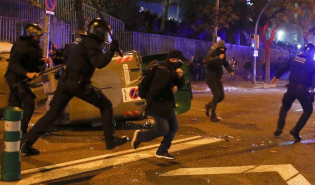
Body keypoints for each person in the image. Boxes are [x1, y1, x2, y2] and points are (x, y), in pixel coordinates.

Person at [21, 18, 129, 155]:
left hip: (65, 81)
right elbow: (99, 62)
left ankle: (27, 143)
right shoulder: (92, 43)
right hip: (78, 84)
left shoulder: (80, 40)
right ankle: (110, 140)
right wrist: (111, 51)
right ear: (100, 33)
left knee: (51, 115)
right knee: (106, 105)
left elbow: (66, 55)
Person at [272, 43, 315, 141]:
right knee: (308, 110)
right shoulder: (312, 62)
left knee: (285, 107)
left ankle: (279, 129)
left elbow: (283, 68)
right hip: (302, 90)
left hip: (290, 88)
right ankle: (295, 130)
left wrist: (277, 76)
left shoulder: (294, 59)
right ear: (312, 53)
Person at [131, 50, 186, 160]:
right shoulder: (163, 71)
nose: (180, 63)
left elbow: (179, 85)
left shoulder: (171, 70)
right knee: (163, 129)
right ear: (173, 59)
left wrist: (179, 77)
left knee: (174, 127)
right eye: (179, 60)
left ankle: (162, 151)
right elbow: (155, 90)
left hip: (167, 104)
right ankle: (140, 136)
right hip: (158, 104)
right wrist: (170, 89)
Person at [5, 24, 48, 134]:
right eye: (37, 36)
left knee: (14, 103)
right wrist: (27, 73)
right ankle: (21, 131)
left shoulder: (33, 46)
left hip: (20, 78)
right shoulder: (22, 46)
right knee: (28, 101)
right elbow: (13, 65)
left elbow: (32, 61)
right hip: (15, 78)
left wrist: (42, 62)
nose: (39, 38)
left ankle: (13, 131)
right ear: (31, 35)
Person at [204, 40, 234, 122]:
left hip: (217, 77)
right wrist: (218, 58)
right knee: (216, 95)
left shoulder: (223, 54)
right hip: (210, 77)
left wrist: (230, 70)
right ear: (217, 48)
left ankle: (208, 106)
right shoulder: (212, 53)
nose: (222, 50)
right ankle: (213, 116)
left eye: (224, 49)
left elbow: (225, 63)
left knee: (221, 96)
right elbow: (208, 61)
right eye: (221, 48)